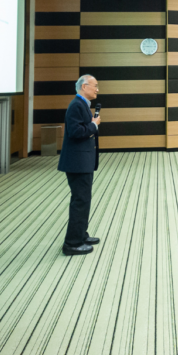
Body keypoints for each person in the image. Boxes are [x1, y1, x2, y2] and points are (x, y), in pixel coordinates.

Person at [58, 75, 102, 256]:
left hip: (82, 161)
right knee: (80, 201)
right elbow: (76, 132)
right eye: (95, 86)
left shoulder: (82, 104)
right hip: (77, 163)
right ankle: (72, 243)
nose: (97, 89)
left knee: (84, 200)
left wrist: (91, 125)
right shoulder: (76, 105)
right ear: (84, 87)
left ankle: (81, 234)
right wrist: (94, 125)